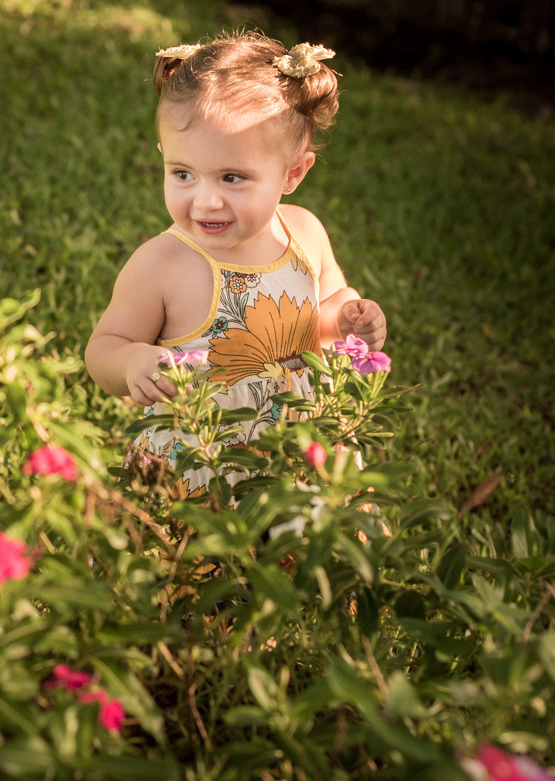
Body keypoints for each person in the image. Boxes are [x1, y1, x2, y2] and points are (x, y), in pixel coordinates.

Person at [85, 33, 387, 496]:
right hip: (200, 462)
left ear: (293, 174)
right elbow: (104, 346)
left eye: (232, 177)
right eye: (183, 174)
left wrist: (348, 320)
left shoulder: (304, 233)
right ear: (164, 158)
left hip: (299, 449)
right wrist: (131, 362)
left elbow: (319, 317)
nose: (206, 200)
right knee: (203, 559)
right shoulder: (162, 264)